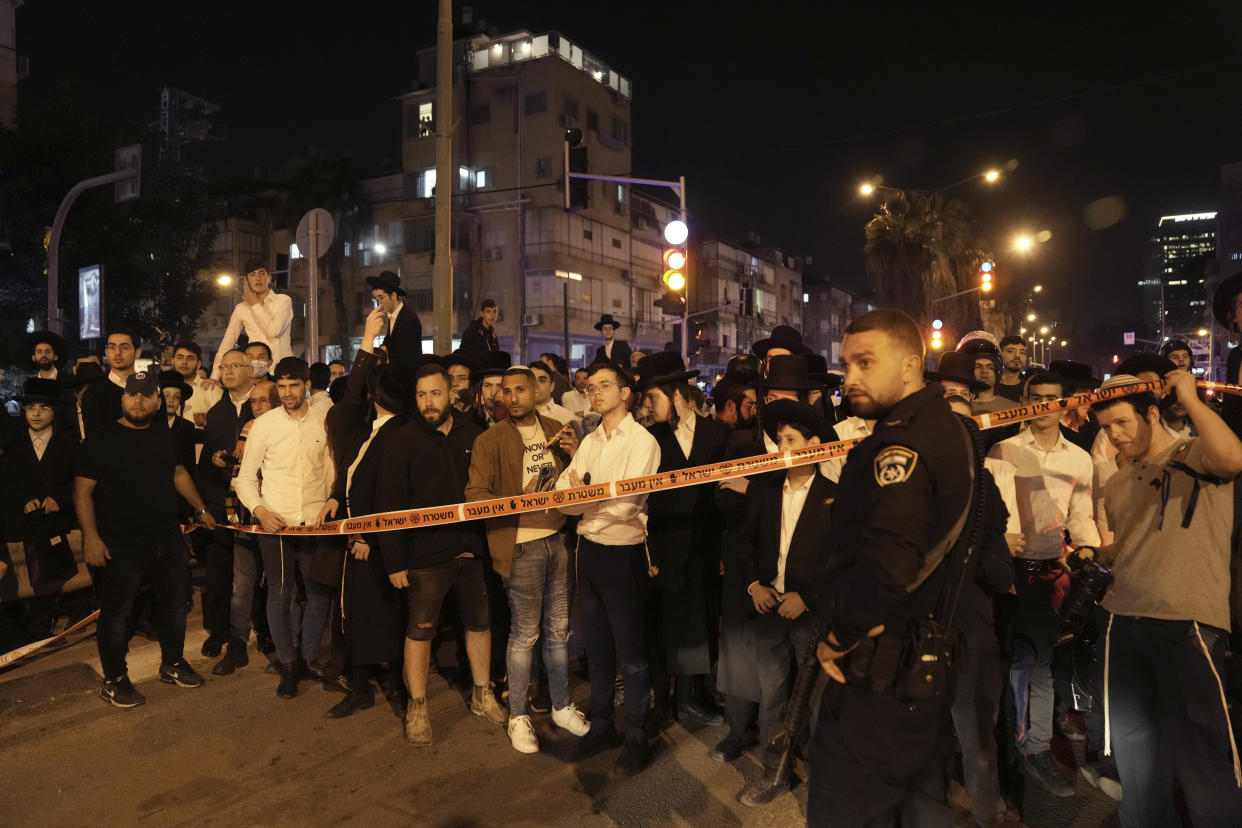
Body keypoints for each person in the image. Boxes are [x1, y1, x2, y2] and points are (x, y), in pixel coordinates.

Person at [807, 309, 975, 824]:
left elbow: (887, 563)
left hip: (879, 671)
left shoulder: (904, 443)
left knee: (847, 808)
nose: (850, 377)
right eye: (846, 364)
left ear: (910, 365)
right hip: (910, 665)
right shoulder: (942, 426)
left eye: (865, 362)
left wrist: (840, 634)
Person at [1092, 371, 1242, 826]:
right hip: (1122, 621)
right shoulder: (1116, 481)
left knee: (1205, 753)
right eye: (1105, 427)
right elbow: (1127, 546)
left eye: (1122, 423)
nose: (1114, 435)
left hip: (1187, 621)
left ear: (1152, 413)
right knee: (1136, 753)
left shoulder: (1193, 453)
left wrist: (1193, 400)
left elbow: (1233, 459)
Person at [377, 364, 508, 746]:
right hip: (422, 555)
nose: (428, 402)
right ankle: (417, 706)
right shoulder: (402, 440)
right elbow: (389, 505)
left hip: (471, 549)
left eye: (435, 394)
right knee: (420, 630)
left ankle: (482, 694)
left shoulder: (475, 433)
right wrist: (395, 561)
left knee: (479, 624)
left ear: (452, 394)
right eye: (421, 395)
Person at [465, 366, 591, 753]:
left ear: (537, 390)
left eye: (520, 389)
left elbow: (584, 480)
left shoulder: (559, 427)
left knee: (558, 631)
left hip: (559, 540)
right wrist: (519, 498)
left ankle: (561, 704)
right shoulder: (490, 440)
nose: (513, 397)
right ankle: (518, 715)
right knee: (524, 634)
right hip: (519, 545)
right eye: (507, 391)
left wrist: (575, 455)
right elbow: (474, 497)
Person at [75, 371, 217, 708]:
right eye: (131, 394)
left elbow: (178, 472)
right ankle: (114, 679)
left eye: (145, 395)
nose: (137, 401)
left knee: (175, 607)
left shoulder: (164, 435)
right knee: (116, 615)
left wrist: (199, 509)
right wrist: (91, 538)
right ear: (123, 399)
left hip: (166, 538)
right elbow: (82, 492)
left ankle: (173, 664)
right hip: (119, 544)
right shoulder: (101, 439)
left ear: (157, 401)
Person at [989, 371, 1100, 797]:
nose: (1043, 406)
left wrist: (1086, 549)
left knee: (1038, 667)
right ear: (1024, 400)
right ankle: (1002, 753)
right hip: (1004, 571)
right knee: (1004, 666)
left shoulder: (1079, 458)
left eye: (1051, 398)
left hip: (1049, 573)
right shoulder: (1005, 449)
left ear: (1063, 402)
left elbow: (1081, 512)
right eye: (1035, 398)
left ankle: (1033, 752)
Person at [556, 361, 660, 775]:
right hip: (590, 553)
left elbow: (628, 504)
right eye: (591, 386)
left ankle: (636, 736)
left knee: (631, 656)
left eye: (605, 386)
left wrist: (584, 501)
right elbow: (564, 495)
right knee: (597, 650)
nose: (595, 392)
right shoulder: (590, 440)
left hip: (623, 554)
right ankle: (602, 726)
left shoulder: (643, 441)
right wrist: (584, 501)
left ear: (625, 393)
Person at [736, 400, 837, 803]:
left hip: (809, 613)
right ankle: (775, 771)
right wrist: (754, 586)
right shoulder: (764, 489)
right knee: (773, 694)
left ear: (813, 445)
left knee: (816, 699)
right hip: (768, 606)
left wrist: (808, 598)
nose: (781, 448)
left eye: (790, 440)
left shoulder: (834, 496)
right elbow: (743, 542)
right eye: (779, 440)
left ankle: (824, 776)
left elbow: (845, 561)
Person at [636, 351, 730, 729]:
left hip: (704, 546)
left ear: (676, 396)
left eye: (652, 398)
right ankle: (664, 701)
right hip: (662, 544)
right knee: (663, 622)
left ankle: (694, 694)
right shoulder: (647, 439)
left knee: (701, 619)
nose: (646, 407)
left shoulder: (716, 434)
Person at [234, 357, 336, 699]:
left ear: (307, 384)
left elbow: (332, 469)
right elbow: (246, 478)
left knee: (320, 594)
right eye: (282, 386)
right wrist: (261, 510)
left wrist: (331, 501)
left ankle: (308, 658)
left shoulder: (323, 421)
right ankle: (288, 663)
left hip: (315, 524)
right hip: (275, 525)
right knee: (280, 594)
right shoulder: (264, 425)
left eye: (294, 385)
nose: (288, 392)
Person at [321, 345, 412, 719]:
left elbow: (389, 493)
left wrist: (368, 538)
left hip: (376, 544)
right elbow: (353, 477)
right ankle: (360, 685)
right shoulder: (370, 432)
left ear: (374, 397)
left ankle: (395, 689)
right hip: (356, 538)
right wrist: (335, 499)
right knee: (355, 616)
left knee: (384, 618)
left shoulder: (398, 434)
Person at [0, 379, 78, 641]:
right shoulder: (14, 447)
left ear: (54, 412)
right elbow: (5, 483)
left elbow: (80, 481)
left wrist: (60, 498)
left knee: (51, 548)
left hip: (58, 519)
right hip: (23, 519)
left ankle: (43, 619)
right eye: (30, 407)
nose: (36, 413)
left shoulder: (69, 445)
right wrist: (23, 500)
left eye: (43, 407)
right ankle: (25, 619)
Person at [195, 348, 257, 670]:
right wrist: (216, 459)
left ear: (251, 369)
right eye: (224, 365)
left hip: (254, 503)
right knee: (218, 572)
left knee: (249, 574)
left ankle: (252, 632)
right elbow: (206, 459)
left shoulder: (261, 406)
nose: (228, 370)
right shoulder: (217, 411)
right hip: (220, 501)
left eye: (235, 365)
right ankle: (217, 632)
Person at [212, 259, 293, 379]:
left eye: (262, 273)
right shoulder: (241, 308)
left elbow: (274, 331)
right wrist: (214, 377)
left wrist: (254, 304)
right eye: (252, 274)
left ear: (269, 278)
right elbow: (227, 344)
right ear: (246, 280)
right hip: (255, 372)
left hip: (283, 370)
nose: (258, 278)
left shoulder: (283, 300)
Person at [81, 325, 140, 439]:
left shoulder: (150, 390)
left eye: (124, 347)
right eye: (112, 347)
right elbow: (94, 439)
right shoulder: (93, 393)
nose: (117, 353)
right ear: (107, 353)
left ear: (137, 353)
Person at [368, 270, 423, 365]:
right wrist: (383, 347)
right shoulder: (394, 315)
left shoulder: (408, 319)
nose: (379, 304)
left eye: (381, 298)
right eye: (376, 299)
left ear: (393, 295)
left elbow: (406, 359)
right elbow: (388, 339)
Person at [172, 341, 222, 431]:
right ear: (173, 361)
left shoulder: (211, 389)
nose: (184, 362)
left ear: (198, 364)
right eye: (180, 357)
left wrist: (207, 423)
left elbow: (224, 424)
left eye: (190, 358)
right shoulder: (164, 389)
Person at [158, 370, 198, 471]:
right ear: (158, 398)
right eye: (166, 396)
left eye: (176, 396)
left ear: (180, 401)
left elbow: (189, 465)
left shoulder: (187, 427)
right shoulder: (148, 424)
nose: (171, 401)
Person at [528, 360, 574, 426]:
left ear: (552, 386)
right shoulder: (517, 416)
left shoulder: (566, 418)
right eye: (532, 380)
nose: (536, 384)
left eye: (542, 381)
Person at [473, 352, 512, 427]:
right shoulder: (468, 423)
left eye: (500, 386)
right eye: (488, 385)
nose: (493, 392)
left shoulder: (519, 421)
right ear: (480, 389)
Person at [996, 335, 1029, 402]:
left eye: (1022, 352)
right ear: (1000, 355)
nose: (1017, 355)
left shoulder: (1029, 388)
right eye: (1010, 351)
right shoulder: (989, 387)